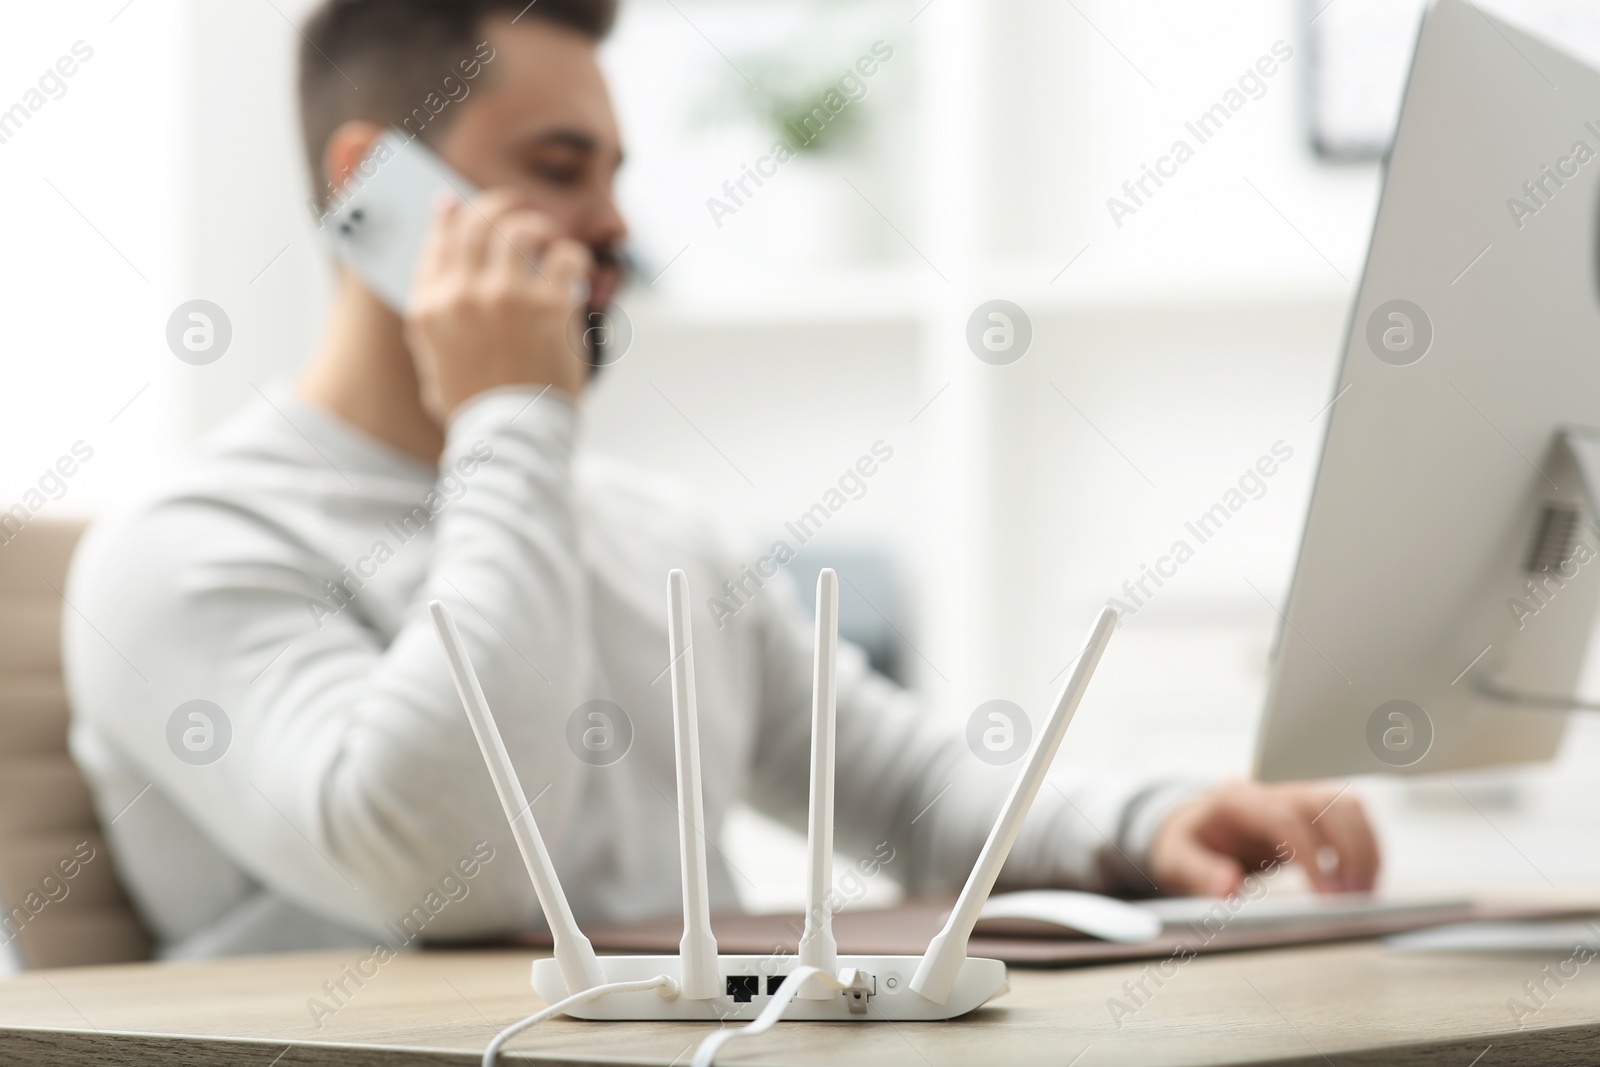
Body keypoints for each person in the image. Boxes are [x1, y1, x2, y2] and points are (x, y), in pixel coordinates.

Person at [63, 0, 1377, 959]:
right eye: (558, 169)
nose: (619, 226)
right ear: (370, 189)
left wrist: (1154, 823)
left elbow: (911, 795)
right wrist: (513, 409)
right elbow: (445, 870)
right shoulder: (181, 549)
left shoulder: (652, 529)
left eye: (617, 176)